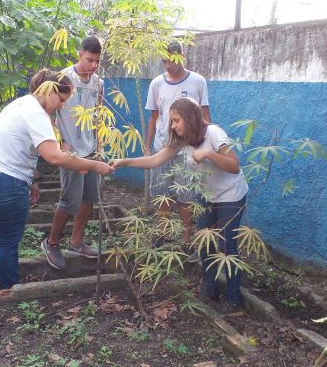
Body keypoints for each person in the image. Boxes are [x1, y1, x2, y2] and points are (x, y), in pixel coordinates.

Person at [0, 69, 115, 293]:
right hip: (4, 180)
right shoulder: (35, 114)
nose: (61, 106)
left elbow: (24, 148)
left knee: (3, 233)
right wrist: (95, 165)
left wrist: (35, 179)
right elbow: (54, 156)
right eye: (61, 99)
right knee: (9, 241)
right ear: (49, 91)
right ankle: (11, 290)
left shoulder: (24, 104)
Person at [111, 97, 248, 314]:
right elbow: (155, 160)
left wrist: (209, 154)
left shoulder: (213, 133)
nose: (173, 126)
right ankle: (210, 289)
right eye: (171, 121)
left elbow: (234, 165)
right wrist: (124, 161)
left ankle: (234, 301)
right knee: (204, 243)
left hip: (230, 196)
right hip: (207, 196)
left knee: (226, 248)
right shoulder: (182, 139)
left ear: (190, 117)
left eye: (176, 120)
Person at [41, 36, 105, 270]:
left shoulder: (98, 82)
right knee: (69, 200)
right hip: (69, 150)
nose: (93, 66)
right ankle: (52, 242)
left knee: (89, 198)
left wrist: (100, 146)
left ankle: (76, 242)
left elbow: (99, 113)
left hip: (90, 150)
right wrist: (61, 143)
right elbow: (49, 112)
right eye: (89, 60)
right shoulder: (63, 78)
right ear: (80, 54)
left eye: (97, 61)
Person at [144, 41, 210, 251]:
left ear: (182, 56)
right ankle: (163, 232)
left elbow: (205, 116)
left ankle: (186, 236)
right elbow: (154, 117)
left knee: (186, 195)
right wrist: (148, 147)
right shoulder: (156, 83)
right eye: (164, 60)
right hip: (162, 147)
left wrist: (206, 145)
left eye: (172, 59)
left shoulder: (198, 81)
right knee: (162, 193)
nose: (168, 64)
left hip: (188, 149)